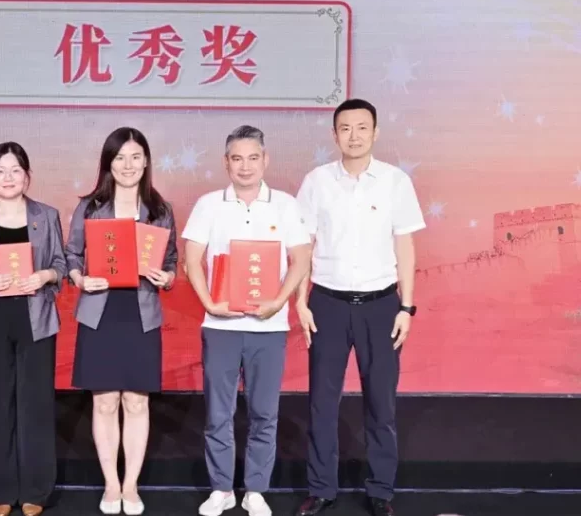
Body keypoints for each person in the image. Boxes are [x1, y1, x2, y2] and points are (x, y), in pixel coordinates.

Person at [294, 99, 425, 516]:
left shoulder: (395, 182)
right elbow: (303, 246)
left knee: (381, 403)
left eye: (362, 127)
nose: (354, 136)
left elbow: (405, 246)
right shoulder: (317, 181)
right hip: (327, 304)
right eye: (346, 128)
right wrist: (300, 301)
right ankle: (321, 488)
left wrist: (407, 307)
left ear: (375, 132)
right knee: (322, 402)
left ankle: (381, 490)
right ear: (334, 135)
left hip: (381, 305)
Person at [182, 126, 311, 516]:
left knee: (264, 413)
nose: (245, 166)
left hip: (269, 328)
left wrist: (279, 302)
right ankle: (221, 488)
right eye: (237, 158)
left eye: (253, 158)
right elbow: (191, 260)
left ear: (265, 160)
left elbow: (301, 259)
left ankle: (256, 490)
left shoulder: (285, 204)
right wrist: (209, 303)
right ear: (226, 162)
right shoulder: (209, 204)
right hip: (220, 326)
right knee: (218, 413)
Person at [66, 127, 179, 516]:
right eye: (119, 158)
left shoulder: (160, 210)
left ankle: (131, 486)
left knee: (135, 401)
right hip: (100, 310)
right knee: (104, 402)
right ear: (107, 163)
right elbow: (72, 254)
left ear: (146, 161)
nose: (127, 165)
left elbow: (171, 260)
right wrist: (80, 278)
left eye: (135, 157)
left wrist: (168, 277)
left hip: (141, 313)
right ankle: (110, 485)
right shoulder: (90, 207)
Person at [0, 142, 68, 516]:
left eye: (16, 170)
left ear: (28, 176)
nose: (8, 178)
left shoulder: (46, 216)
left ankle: (36, 489)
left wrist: (45, 275)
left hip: (36, 316)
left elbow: (61, 264)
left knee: (36, 404)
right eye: (0, 171)